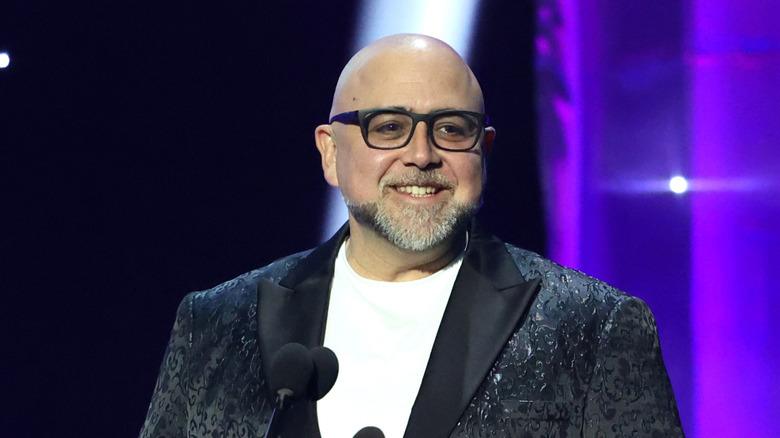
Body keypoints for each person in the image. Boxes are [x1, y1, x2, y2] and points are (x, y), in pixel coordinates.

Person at [140, 34, 684, 438]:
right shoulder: (216, 321)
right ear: (331, 152)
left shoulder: (594, 326)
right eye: (389, 127)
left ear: (483, 151)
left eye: (451, 129)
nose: (422, 155)